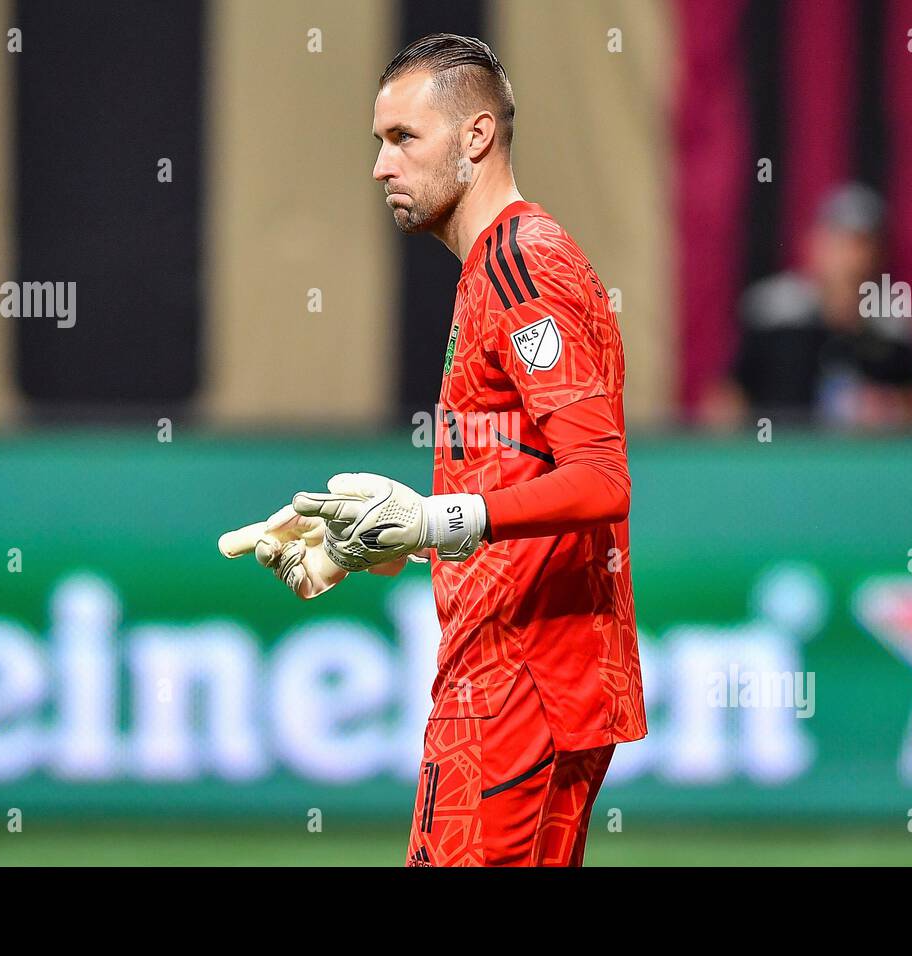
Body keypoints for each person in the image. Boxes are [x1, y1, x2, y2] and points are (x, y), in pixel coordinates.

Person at [218, 34, 646, 867]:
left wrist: (430, 520)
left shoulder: (525, 266)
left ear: (476, 137)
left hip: (517, 681)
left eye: (403, 138)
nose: (381, 165)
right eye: (380, 141)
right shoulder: (495, 268)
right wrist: (370, 545)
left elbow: (599, 479)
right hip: (523, 671)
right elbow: (517, 484)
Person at [703, 183, 912, 429]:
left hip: (861, 461)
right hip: (779, 456)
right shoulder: (774, 311)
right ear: (815, 244)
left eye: (863, 244)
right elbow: (729, 395)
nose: (852, 258)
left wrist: (889, 408)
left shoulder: (893, 321)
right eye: (840, 242)